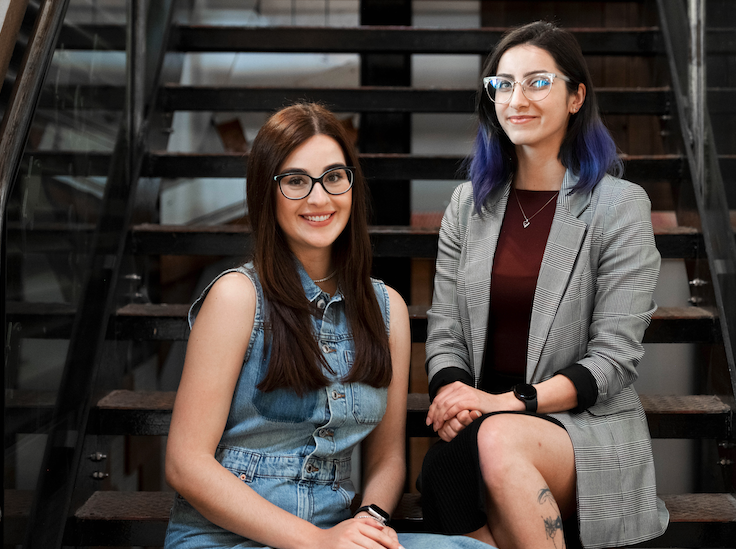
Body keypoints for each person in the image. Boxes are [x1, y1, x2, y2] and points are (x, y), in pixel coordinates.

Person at [164, 102, 492, 549]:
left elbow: (388, 459)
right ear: (267, 192)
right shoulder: (238, 298)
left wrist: (370, 522)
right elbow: (186, 464)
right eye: (296, 181)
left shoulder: (386, 309)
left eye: (334, 177)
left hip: (336, 533)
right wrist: (316, 542)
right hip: (226, 538)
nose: (319, 198)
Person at [419, 21, 669, 549]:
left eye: (537, 82)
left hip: (581, 423)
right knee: (445, 471)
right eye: (502, 84)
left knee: (494, 440)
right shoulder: (469, 205)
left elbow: (613, 362)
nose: (515, 99)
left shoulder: (619, 206)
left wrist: (503, 404)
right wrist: (456, 396)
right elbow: (444, 330)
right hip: (481, 417)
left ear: (576, 96)